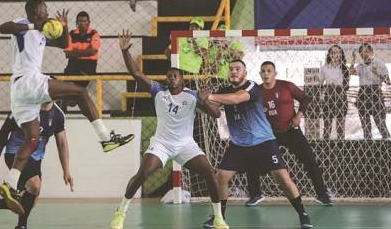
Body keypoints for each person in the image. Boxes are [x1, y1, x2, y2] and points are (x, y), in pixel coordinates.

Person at [0, 0, 134, 215]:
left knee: (32, 139)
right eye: (43, 11)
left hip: (20, 93)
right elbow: (2, 28)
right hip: (28, 80)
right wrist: (36, 25)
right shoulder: (23, 24)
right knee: (80, 92)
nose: (46, 13)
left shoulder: (42, 32)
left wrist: (64, 26)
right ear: (34, 13)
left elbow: (63, 44)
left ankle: (9, 182)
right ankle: (105, 138)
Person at [110, 29, 229, 229]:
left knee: (210, 172)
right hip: (162, 144)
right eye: (169, 76)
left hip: (185, 145)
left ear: (182, 79)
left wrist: (204, 102)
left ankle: (218, 218)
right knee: (143, 173)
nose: (171, 78)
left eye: (175, 76)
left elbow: (216, 114)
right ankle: (121, 212)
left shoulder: (192, 96)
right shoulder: (158, 92)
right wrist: (124, 52)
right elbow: (136, 73)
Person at [201, 59, 313, 229]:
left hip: (263, 142)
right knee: (220, 177)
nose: (234, 71)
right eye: (231, 69)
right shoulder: (223, 91)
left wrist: (208, 96)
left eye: (238, 69)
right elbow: (215, 112)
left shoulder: (251, 87)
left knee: (282, 177)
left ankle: (303, 214)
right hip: (239, 145)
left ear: (245, 73)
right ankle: (218, 216)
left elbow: (236, 99)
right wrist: (200, 101)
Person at [244, 61, 333, 208]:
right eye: (263, 71)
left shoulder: (286, 86)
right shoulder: (256, 91)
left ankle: (322, 194)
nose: (266, 74)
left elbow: (305, 98)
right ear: (260, 74)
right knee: (252, 160)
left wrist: (299, 115)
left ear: (275, 73)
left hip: (291, 131)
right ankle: (255, 194)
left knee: (310, 160)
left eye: (269, 71)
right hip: (269, 134)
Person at [0, 102, 73, 229]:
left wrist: (66, 170)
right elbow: (6, 129)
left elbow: (62, 143)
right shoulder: (25, 106)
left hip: (36, 158)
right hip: (15, 153)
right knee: (34, 184)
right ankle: (21, 225)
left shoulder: (58, 115)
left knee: (31, 201)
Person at [62, 11, 101, 111]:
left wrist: (76, 52)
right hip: (73, 64)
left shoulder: (94, 34)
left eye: (84, 21)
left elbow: (93, 51)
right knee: (64, 90)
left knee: (75, 94)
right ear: (76, 22)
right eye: (80, 21)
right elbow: (68, 54)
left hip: (89, 65)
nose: (82, 23)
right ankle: (63, 109)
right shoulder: (71, 34)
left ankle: (75, 101)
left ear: (88, 22)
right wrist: (85, 52)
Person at [350, 43, 390, 139]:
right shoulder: (360, 66)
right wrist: (353, 59)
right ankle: (368, 149)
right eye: (362, 52)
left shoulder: (379, 64)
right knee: (366, 126)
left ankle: (387, 147)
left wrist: (377, 73)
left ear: (372, 52)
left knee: (381, 124)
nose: (365, 54)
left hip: (376, 93)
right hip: (363, 94)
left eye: (367, 51)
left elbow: (388, 82)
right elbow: (351, 71)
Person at [319, 45, 350, 139]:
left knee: (340, 127)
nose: (335, 54)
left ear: (341, 54)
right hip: (329, 97)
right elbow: (319, 85)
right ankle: (325, 149)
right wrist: (326, 87)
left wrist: (339, 86)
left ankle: (342, 149)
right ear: (329, 54)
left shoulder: (345, 68)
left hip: (341, 97)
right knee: (327, 126)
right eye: (332, 52)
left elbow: (347, 86)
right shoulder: (324, 68)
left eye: (337, 52)